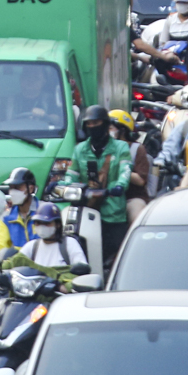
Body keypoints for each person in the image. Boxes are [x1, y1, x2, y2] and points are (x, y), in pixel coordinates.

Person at [69, 104, 133, 266]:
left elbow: (125, 171)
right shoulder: (79, 150)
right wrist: (63, 186)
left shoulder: (121, 147)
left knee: (117, 258)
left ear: (105, 124)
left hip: (113, 212)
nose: (92, 128)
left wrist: (119, 186)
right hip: (87, 208)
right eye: (89, 124)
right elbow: (71, 175)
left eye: (96, 123)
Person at [11, 202, 88, 280]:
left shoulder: (69, 243)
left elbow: (81, 275)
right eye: (38, 223)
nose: (41, 226)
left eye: (46, 223)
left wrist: (63, 285)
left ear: (57, 224)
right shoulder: (32, 246)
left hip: (59, 291)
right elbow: (14, 262)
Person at [0, 167, 39, 253]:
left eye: (18, 187)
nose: (13, 192)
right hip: (19, 264)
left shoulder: (43, 212)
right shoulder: (7, 217)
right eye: (11, 188)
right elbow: (1, 245)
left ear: (31, 189)